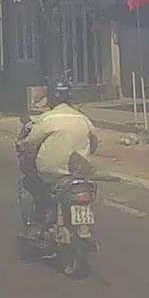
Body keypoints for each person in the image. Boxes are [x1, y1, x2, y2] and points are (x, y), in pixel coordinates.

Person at [17, 79, 99, 235]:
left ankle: (33, 224)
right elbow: (94, 144)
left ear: (50, 98)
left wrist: (22, 147)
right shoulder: (84, 119)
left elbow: (30, 143)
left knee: (27, 184)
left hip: (52, 174)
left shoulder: (47, 119)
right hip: (79, 174)